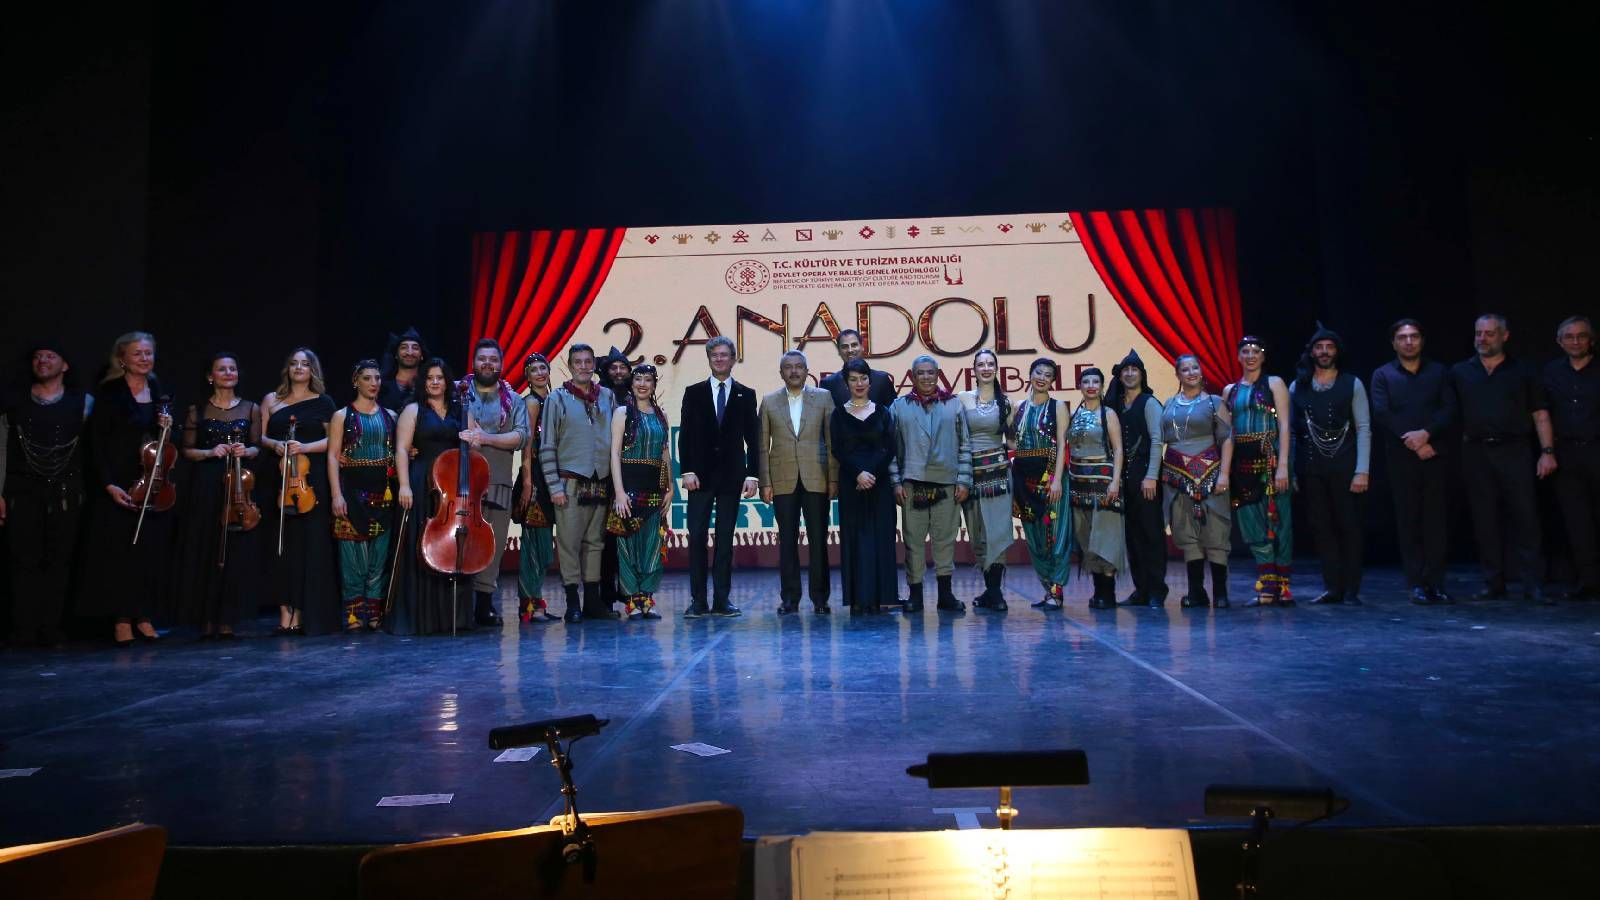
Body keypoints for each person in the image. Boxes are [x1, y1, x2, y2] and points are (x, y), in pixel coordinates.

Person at [1449, 314, 1554, 604]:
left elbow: (1540, 413)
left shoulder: (1523, 370)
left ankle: (1533, 585)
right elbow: (1449, 413)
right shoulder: (1460, 372)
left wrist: (1547, 452)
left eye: (1490, 333)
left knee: (1525, 517)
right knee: (1484, 519)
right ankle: (1493, 583)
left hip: (1515, 450)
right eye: (1478, 333)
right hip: (1477, 452)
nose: (1483, 339)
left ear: (1504, 336)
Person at [79, 331, 175, 645]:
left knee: (147, 554)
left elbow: (163, 445)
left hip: (150, 483)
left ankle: (143, 616)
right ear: (122, 358)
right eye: (137, 353)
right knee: (120, 554)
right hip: (119, 483)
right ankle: (121, 619)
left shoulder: (158, 391)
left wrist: (166, 428)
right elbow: (96, 443)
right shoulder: (110, 392)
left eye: (148, 353)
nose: (144, 359)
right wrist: (108, 484)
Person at [0, 340, 91, 648]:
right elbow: (1, 447)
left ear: (65, 365)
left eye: (50, 356)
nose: (42, 361)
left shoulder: (84, 403)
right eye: (38, 357)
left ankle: (51, 627)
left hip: (66, 491)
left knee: (59, 560)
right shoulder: (14, 402)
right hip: (22, 490)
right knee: (22, 560)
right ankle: (23, 628)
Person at [173, 353, 261, 638]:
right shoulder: (197, 409)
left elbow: (257, 446)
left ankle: (228, 618)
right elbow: (187, 450)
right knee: (207, 545)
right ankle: (206, 616)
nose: (228, 373)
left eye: (232, 369)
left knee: (235, 548)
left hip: (238, 483)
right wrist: (210, 452)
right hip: (207, 482)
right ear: (211, 376)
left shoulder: (251, 408)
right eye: (222, 369)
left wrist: (246, 450)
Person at [1370, 319, 1456, 605]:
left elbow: (1448, 408)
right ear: (1393, 343)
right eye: (1403, 337)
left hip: (1434, 453)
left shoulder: (1439, 372)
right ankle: (1416, 583)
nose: (1409, 342)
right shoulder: (1383, 375)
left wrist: (1426, 435)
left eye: (1414, 336)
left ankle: (1436, 583)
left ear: (1422, 340)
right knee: (1409, 522)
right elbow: (1383, 413)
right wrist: (1414, 440)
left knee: (1436, 522)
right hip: (1401, 457)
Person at [390, 358, 476, 635]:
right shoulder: (413, 410)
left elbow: (475, 440)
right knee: (421, 546)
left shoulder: (460, 410)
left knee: (451, 547)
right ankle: (420, 618)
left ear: (447, 381)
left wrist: (473, 438)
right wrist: (404, 485)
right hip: (422, 482)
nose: (435, 382)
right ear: (423, 382)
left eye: (439, 377)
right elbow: (401, 449)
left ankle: (451, 616)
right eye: (430, 378)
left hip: (452, 486)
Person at [1290, 323, 1372, 605]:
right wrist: (1291, 470)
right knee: (1321, 528)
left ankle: (1351, 589)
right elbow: (1291, 431)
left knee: (1348, 526)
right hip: (1312, 468)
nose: (1324, 352)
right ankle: (1332, 587)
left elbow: (1363, 427)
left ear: (1337, 351)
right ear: (1311, 352)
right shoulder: (1298, 386)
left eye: (1329, 347)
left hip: (1346, 467)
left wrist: (1362, 470)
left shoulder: (1352, 383)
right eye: (1319, 347)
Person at [678, 335, 760, 618]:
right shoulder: (694, 392)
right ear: (709, 359)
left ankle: (722, 599)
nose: (720, 359)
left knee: (725, 539)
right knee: (697, 537)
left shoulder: (746, 394)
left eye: (725, 355)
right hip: (699, 478)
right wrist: (687, 470)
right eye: (715, 355)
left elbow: (754, 439)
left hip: (731, 478)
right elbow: (685, 435)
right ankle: (698, 600)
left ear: (733, 359)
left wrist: (753, 475)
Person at [260, 348, 340, 635]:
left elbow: (334, 441)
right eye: (293, 363)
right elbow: (261, 436)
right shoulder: (271, 400)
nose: (298, 368)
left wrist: (304, 447)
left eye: (305, 364)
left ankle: (308, 612)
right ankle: (285, 613)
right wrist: (275, 445)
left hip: (310, 479)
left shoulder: (323, 402)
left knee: (311, 545)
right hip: (279, 477)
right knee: (283, 546)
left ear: (312, 370)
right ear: (287, 369)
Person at [540, 343, 619, 622]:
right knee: (569, 543)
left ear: (594, 365)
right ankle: (573, 602)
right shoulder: (557, 399)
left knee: (595, 543)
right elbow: (547, 445)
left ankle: (593, 602)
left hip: (601, 482)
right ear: (570, 365)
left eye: (588, 361)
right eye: (578, 362)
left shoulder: (607, 396)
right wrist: (554, 487)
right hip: (570, 482)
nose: (584, 366)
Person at [890, 355, 973, 613]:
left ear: (938, 375)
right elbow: (891, 449)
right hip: (912, 483)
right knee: (913, 542)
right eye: (920, 373)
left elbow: (965, 445)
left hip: (947, 483)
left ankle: (945, 595)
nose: (926, 377)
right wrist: (895, 482)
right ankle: (915, 594)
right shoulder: (899, 406)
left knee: (945, 541)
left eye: (931, 372)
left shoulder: (953, 405)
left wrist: (964, 480)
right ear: (912, 376)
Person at [758, 350, 837, 615]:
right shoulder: (769, 402)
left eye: (799, 366)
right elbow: (762, 447)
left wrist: (833, 478)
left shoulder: (824, 398)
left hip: (817, 477)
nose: (794, 371)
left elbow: (832, 441)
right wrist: (765, 482)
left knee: (818, 540)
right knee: (787, 541)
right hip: (782, 480)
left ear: (807, 371)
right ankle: (790, 598)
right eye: (789, 367)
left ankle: (820, 598)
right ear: (781, 373)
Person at [458, 339, 531, 625]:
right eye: (482, 359)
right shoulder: (458, 393)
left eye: (493, 359)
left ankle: (485, 604)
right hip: (460, 483)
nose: (487, 364)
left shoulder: (513, 400)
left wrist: (485, 438)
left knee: (494, 543)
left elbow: (521, 436)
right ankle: (458, 603)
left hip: (498, 482)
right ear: (473, 362)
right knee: (461, 542)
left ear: (501, 364)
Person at [1224, 336, 1294, 606]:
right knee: (1250, 523)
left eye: (1256, 351)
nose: (1251, 356)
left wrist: (1284, 466)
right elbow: (1227, 433)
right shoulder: (1230, 391)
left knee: (1279, 522)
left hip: (1271, 461)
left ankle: (1283, 586)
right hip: (1242, 464)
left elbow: (1285, 426)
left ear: (1263, 357)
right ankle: (1268, 584)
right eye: (1245, 351)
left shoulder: (1274, 383)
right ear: (1238, 357)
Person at [328, 360, 398, 631]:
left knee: (379, 556)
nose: (373, 383)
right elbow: (333, 457)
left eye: (377, 378)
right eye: (367, 378)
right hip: (352, 494)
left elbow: (399, 450)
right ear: (355, 381)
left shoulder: (390, 416)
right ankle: (354, 613)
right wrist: (336, 495)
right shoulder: (342, 416)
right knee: (352, 557)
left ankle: (374, 610)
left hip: (383, 495)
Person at [1160, 355, 1233, 608]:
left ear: (1201, 373)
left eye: (1195, 368)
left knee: (1216, 530)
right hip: (1177, 479)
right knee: (1185, 531)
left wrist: (1224, 473)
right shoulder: (1169, 404)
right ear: (1178, 375)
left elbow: (1227, 438)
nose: (1190, 372)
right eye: (1185, 369)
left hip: (1211, 476)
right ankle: (1196, 592)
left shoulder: (1214, 402)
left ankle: (1220, 594)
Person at [831, 358, 899, 613]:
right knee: (855, 539)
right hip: (852, 485)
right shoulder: (838, 414)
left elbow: (890, 447)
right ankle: (859, 599)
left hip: (880, 484)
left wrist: (871, 474)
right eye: (853, 379)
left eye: (863, 378)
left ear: (870, 381)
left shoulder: (883, 412)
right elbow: (837, 449)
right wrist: (858, 474)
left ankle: (884, 597)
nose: (859, 383)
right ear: (846, 383)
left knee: (882, 538)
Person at [609, 364, 673, 619]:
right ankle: (633, 600)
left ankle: (647, 597)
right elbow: (614, 453)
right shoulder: (623, 413)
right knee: (627, 547)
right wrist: (619, 492)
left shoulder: (661, 415)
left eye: (648, 380)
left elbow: (665, 454)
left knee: (652, 546)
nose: (643, 384)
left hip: (654, 490)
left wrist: (671, 488)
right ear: (632, 383)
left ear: (654, 385)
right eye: (638, 379)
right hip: (629, 488)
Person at [1543, 316, 1600, 601]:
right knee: (1577, 521)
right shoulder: (1551, 372)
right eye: (1569, 337)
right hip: (1566, 454)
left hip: (1597, 449)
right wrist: (1548, 452)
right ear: (1559, 341)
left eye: (1581, 336)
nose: (1575, 341)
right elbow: (1542, 413)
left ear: (1591, 340)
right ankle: (1588, 581)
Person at [1105, 349, 1166, 607]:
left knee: (1150, 533)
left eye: (1134, 370)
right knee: (1132, 535)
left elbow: (1157, 441)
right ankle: (1141, 590)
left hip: (1145, 475)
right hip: (1124, 478)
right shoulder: (1115, 405)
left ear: (1142, 374)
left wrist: (1151, 476)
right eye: (1126, 370)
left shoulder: (1149, 403)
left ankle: (1156, 590)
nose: (1130, 374)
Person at [1012, 357, 1073, 609]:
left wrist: (1057, 480)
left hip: (1050, 476)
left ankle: (1057, 591)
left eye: (1048, 375)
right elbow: (1012, 441)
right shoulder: (1019, 407)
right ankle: (1048, 588)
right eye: (1038, 372)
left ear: (1053, 381)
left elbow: (1061, 445)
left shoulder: (1057, 407)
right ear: (1030, 374)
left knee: (1054, 533)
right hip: (1024, 479)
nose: (1042, 378)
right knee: (1034, 536)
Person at [958, 348, 1014, 612]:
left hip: (998, 475)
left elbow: (1012, 442)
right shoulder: (962, 399)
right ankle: (991, 592)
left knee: (997, 531)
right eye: (981, 364)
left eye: (990, 364)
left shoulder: (1007, 402)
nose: (986, 368)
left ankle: (995, 593)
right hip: (970, 474)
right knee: (977, 532)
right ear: (974, 370)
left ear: (996, 369)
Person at [1067, 367, 1125, 609]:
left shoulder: (1108, 414)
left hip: (1104, 484)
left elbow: (1118, 449)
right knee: (1087, 537)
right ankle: (1098, 591)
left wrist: (1115, 481)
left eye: (1095, 382)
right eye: (1086, 382)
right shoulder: (1075, 414)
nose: (1091, 386)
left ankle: (1108, 594)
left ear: (1101, 387)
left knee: (1106, 538)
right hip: (1078, 485)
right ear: (1080, 386)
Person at [515, 352, 557, 622]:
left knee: (543, 544)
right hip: (537, 476)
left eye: (543, 368)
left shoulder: (551, 400)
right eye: (534, 370)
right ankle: (529, 604)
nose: (540, 373)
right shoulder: (531, 402)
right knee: (534, 543)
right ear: (527, 377)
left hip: (551, 474)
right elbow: (527, 446)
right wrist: (528, 482)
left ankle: (535, 600)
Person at [597, 346, 634, 609]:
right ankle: (606, 593)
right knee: (606, 535)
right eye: (614, 367)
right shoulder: (598, 396)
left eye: (623, 367)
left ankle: (629, 588)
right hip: (605, 473)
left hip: (632, 471)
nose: (619, 372)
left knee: (630, 532)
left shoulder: (636, 396)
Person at [819, 328, 896, 409]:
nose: (850, 350)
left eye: (854, 345)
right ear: (839, 351)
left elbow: (894, 413)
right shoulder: (828, 384)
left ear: (862, 347)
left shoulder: (882, 379)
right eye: (845, 347)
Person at [378, 326, 428, 415]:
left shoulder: (429, 386)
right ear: (396, 355)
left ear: (422, 355)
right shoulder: (381, 386)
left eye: (415, 348)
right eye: (404, 347)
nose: (409, 352)